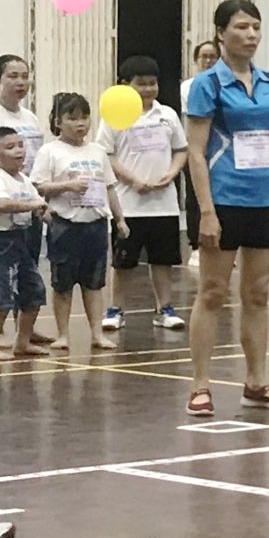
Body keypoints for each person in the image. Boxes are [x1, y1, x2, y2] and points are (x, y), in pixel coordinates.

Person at [184, 0, 269, 418]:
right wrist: (206, 211)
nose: (251, 35)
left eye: (256, 27)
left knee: (258, 293)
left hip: (265, 199)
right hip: (224, 199)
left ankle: (256, 382)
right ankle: (200, 385)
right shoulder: (208, 85)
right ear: (221, 33)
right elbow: (196, 153)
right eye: (241, 27)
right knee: (213, 292)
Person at [99, 55, 190, 332]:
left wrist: (171, 174)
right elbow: (105, 155)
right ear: (125, 84)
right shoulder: (114, 117)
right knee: (123, 262)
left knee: (163, 260)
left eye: (153, 83)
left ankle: (165, 309)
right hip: (128, 204)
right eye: (141, 84)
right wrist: (133, 180)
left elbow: (181, 150)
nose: (149, 89)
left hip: (163, 204)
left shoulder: (168, 115)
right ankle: (115, 309)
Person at [33, 93, 127, 352]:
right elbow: (39, 186)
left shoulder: (97, 151)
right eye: (72, 118)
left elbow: (110, 187)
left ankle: (97, 333)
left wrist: (119, 219)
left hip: (95, 225)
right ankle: (63, 334)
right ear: (58, 121)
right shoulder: (49, 151)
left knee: (94, 283)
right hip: (64, 225)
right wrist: (68, 186)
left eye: (84, 117)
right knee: (63, 284)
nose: (80, 124)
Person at [0, 127, 48, 361]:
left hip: (20, 239)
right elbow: (2, 204)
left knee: (34, 290)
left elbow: (38, 204)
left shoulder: (24, 180)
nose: (19, 151)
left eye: (20, 145)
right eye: (10, 147)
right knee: (2, 293)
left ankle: (22, 342)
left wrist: (45, 213)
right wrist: (32, 206)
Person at [0, 55, 45, 185]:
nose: (20, 82)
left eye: (25, 77)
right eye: (13, 76)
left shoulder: (31, 118)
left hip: (30, 190)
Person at [180, 39, 220, 253]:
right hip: (195, 148)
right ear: (195, 60)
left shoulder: (226, 84)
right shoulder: (188, 87)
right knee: (195, 196)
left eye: (212, 57)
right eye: (204, 57)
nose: (208, 61)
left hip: (219, 150)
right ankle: (195, 242)